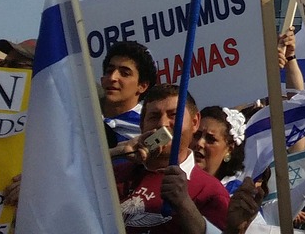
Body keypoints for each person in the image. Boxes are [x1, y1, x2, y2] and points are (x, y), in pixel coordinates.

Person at [113, 83, 230, 234]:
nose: (163, 124)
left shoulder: (210, 192)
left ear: (195, 123)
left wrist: (184, 205)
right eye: (154, 117)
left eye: (173, 115)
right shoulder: (114, 176)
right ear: (142, 125)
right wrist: (118, 152)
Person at [101, 40, 158, 146]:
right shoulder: (82, 119)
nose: (113, 78)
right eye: (109, 71)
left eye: (124, 73)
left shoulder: (148, 127)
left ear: (142, 86)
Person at [194, 105, 247, 193]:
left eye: (210, 139)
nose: (199, 143)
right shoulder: (174, 181)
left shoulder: (236, 195)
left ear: (229, 149)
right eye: (197, 135)